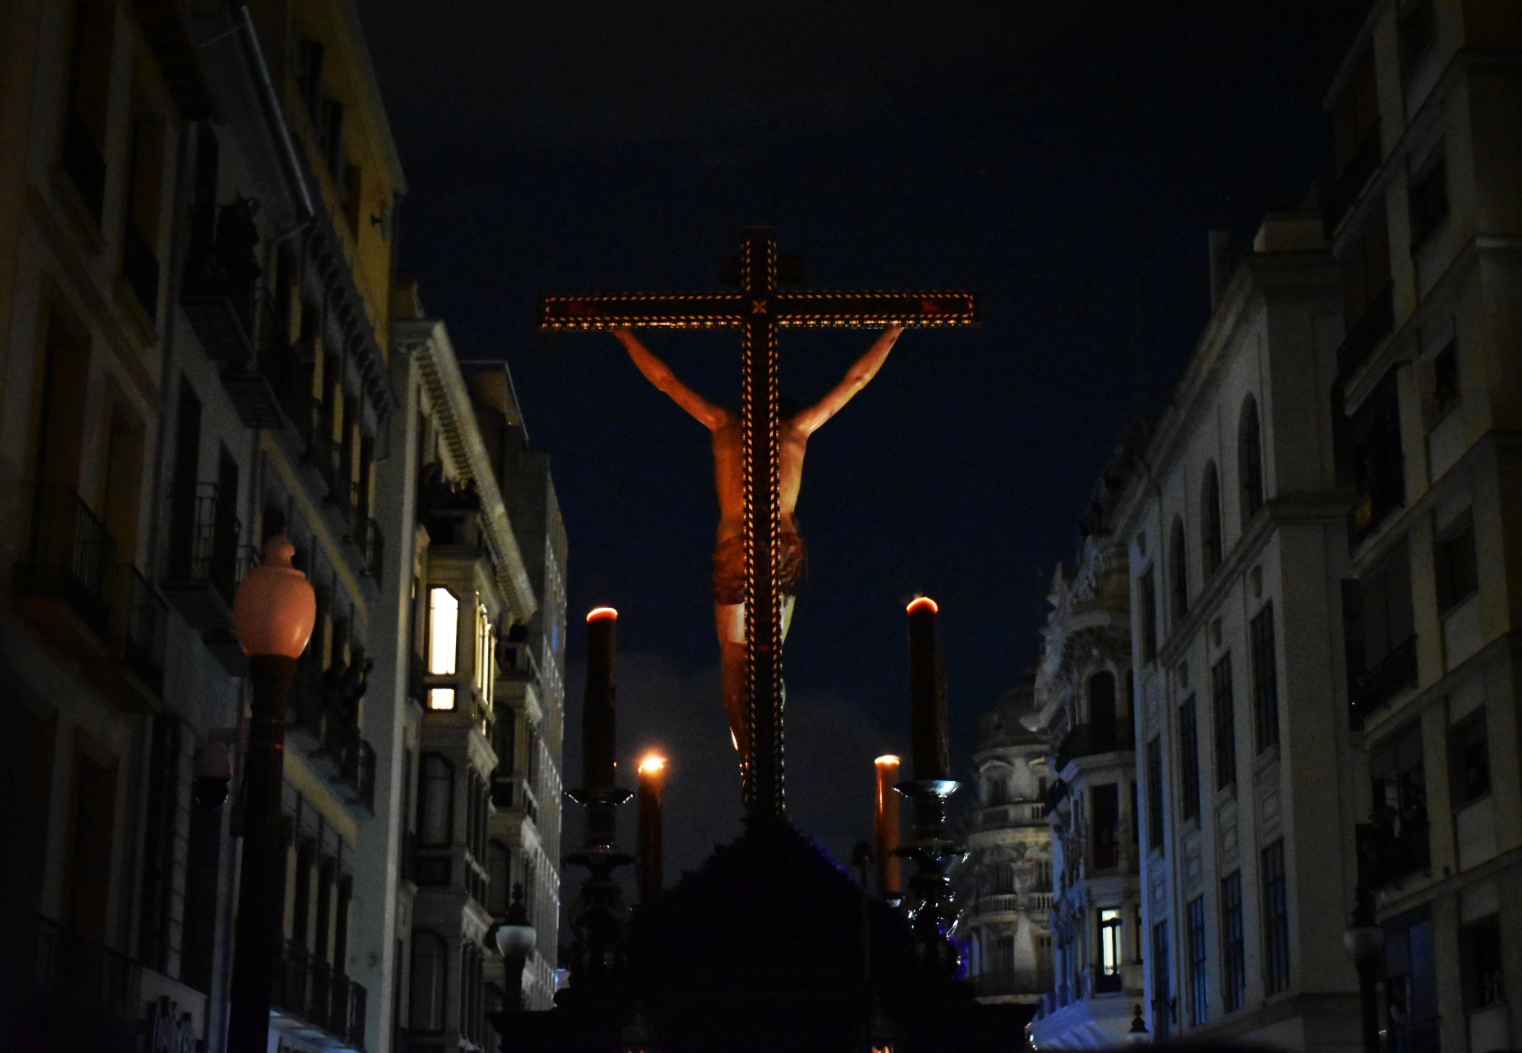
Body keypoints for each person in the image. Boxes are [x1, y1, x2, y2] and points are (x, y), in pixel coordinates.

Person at [614, 326, 903, 756]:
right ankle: (765, 744)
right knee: (769, 652)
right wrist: (893, 330)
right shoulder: (797, 431)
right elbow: (855, 380)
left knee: (735, 654)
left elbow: (665, 381)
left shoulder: (723, 425)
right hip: (782, 551)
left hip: (737, 550)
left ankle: (749, 752)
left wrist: (623, 334)